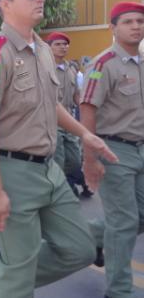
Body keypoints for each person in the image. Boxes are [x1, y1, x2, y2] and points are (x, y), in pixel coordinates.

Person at [0, 0, 117, 298]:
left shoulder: (43, 51)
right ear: (6, 4)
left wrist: (84, 134)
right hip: (11, 171)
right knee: (20, 275)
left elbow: (51, 105)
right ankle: (12, 278)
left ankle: (1, 272)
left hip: (48, 169)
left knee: (80, 249)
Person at [80, 1, 144, 298]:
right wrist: (90, 158)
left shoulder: (141, 63)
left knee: (137, 216)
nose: (136, 26)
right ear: (114, 27)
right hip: (113, 149)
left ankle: (91, 236)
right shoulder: (103, 63)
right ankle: (118, 290)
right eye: (128, 21)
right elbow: (88, 109)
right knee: (124, 222)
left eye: (140, 21)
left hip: (140, 149)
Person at [45, 32, 93, 198]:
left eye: (65, 44)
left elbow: (76, 95)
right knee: (57, 160)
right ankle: (59, 192)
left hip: (70, 121)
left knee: (74, 161)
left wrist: (85, 111)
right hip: (50, 121)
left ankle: (69, 183)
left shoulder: (71, 68)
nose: (62, 47)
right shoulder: (42, 67)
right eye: (57, 44)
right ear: (49, 47)